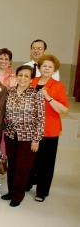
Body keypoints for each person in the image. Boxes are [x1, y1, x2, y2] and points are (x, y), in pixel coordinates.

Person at [1, 65, 45, 207]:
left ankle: (18, 196)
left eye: (26, 76)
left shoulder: (36, 94)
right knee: (12, 165)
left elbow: (41, 119)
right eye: (20, 75)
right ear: (16, 76)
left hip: (28, 137)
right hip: (10, 135)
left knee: (22, 167)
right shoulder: (11, 92)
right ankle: (11, 191)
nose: (23, 78)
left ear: (31, 79)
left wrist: (36, 140)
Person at [27, 55, 69, 202]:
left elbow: (63, 109)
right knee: (31, 159)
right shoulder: (32, 82)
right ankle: (28, 182)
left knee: (46, 162)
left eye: (50, 67)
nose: (46, 68)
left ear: (54, 70)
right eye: (44, 66)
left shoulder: (58, 86)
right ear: (39, 67)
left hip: (49, 129)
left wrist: (48, 97)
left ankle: (42, 191)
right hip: (31, 128)